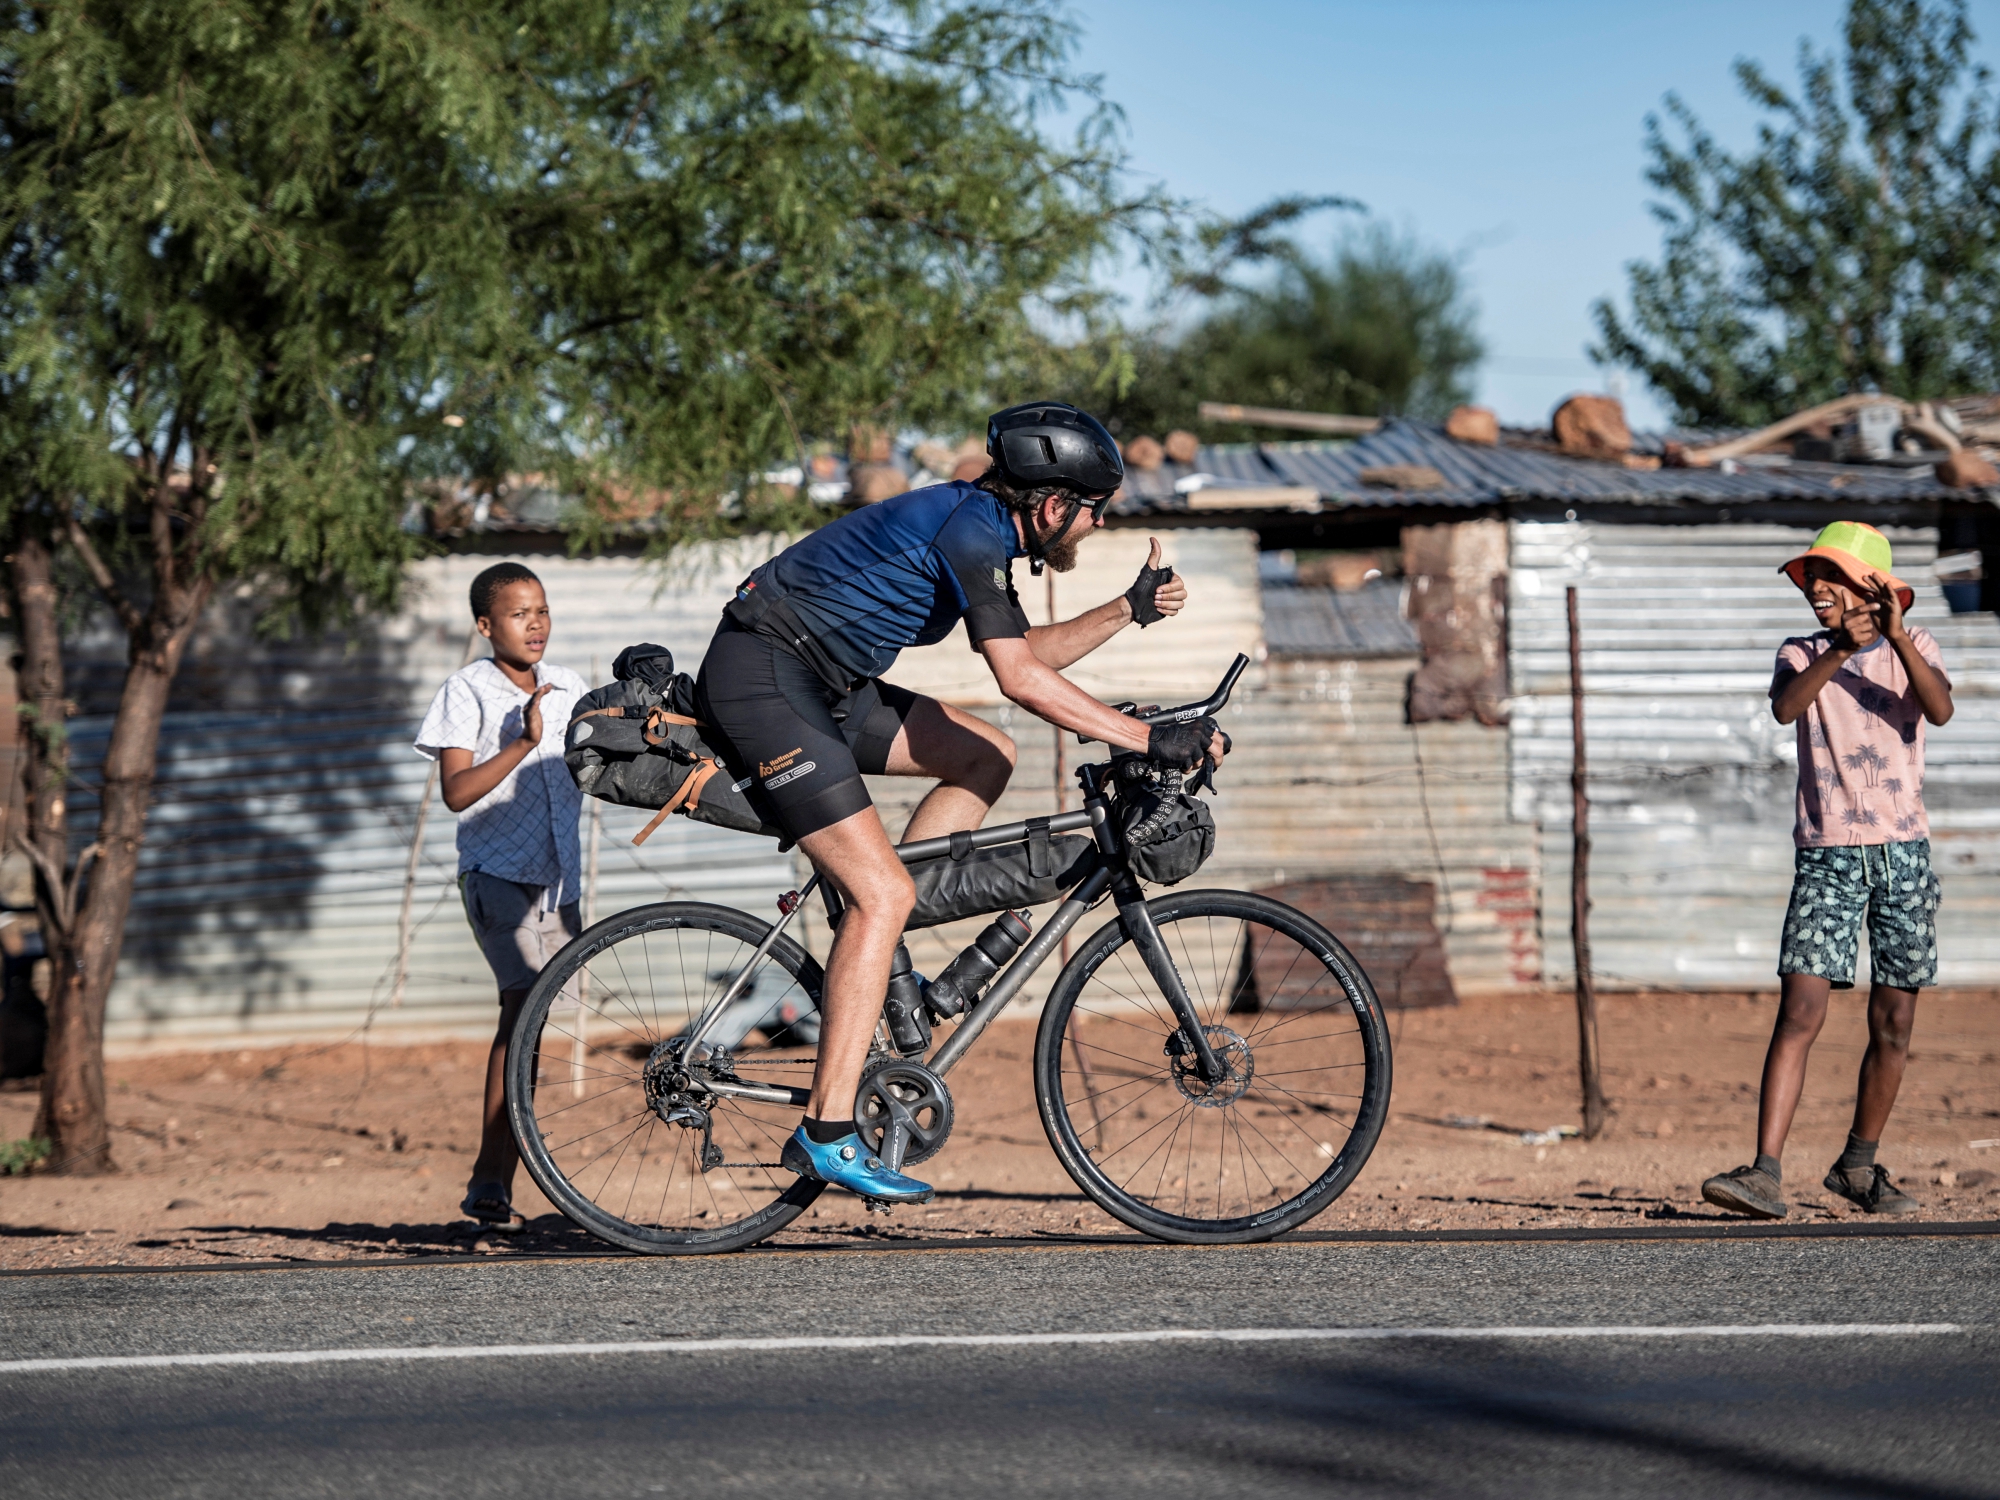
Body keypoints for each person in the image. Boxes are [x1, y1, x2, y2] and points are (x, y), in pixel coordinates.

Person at [695, 401, 1226, 1205]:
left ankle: (883, 947)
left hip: (824, 684)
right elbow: (1020, 680)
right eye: (1094, 510)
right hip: (765, 675)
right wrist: (1147, 739)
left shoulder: (981, 527)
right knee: (880, 893)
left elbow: (1025, 653)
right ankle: (826, 1132)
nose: (1097, 524)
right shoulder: (971, 530)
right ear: (1052, 506)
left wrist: (1129, 608)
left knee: (986, 754)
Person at [1703, 522, 1953, 1221]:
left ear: (1872, 588)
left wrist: (1895, 638)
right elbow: (1787, 708)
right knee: (1801, 1009)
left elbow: (1939, 708)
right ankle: (1764, 1172)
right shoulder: (1802, 652)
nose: (1815, 585)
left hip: (1904, 857)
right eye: (1811, 575)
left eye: (1831, 575)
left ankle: (1858, 1166)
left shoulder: (1916, 645)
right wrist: (1841, 647)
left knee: (1894, 1022)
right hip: (1827, 856)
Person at [415, 563, 589, 1232]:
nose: (535, 623)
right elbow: (457, 791)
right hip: (495, 876)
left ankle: (504, 1174)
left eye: (541, 610)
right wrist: (524, 740)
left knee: (532, 1024)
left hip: (560, 886)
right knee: (521, 1006)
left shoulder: (569, 687)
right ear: (486, 625)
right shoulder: (466, 690)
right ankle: (490, 1176)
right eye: (519, 614)